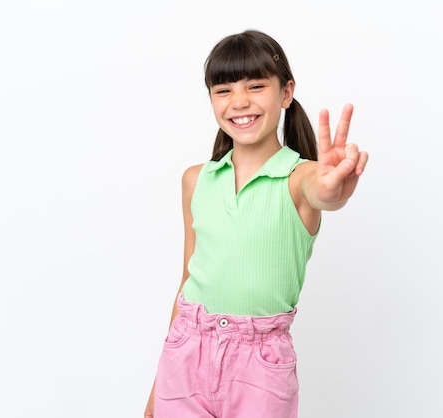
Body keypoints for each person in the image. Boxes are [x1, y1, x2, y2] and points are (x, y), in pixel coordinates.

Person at [144, 29, 368, 418]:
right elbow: (186, 284)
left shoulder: (300, 178)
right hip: (185, 357)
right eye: (224, 90)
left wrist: (335, 188)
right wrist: (155, 392)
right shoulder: (196, 180)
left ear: (286, 92)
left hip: (259, 370)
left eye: (256, 85)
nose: (240, 101)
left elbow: (324, 192)